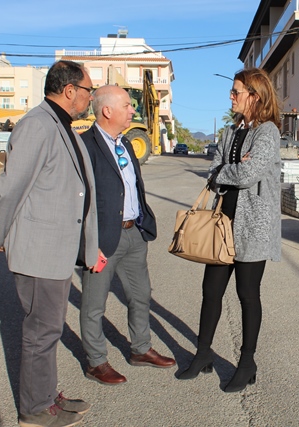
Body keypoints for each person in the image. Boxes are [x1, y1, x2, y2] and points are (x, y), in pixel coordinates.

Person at [0, 60, 98, 427]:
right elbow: (11, 187)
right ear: (70, 91)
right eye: (88, 90)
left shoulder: (60, 124)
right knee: (41, 332)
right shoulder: (37, 125)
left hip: (55, 250)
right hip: (39, 249)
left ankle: (46, 397)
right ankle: (34, 410)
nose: (90, 96)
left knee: (48, 329)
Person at [176, 68, 282, 393]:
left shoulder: (268, 133)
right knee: (211, 292)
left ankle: (247, 362)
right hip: (223, 223)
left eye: (236, 92)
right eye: (233, 92)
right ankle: (203, 354)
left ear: (255, 95)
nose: (231, 96)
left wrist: (227, 169)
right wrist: (227, 169)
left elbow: (249, 175)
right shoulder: (230, 131)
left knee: (247, 296)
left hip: (253, 228)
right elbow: (212, 172)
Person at [80, 85, 175, 385]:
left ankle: (141, 349)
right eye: (126, 105)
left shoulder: (125, 145)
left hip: (134, 233)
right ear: (107, 110)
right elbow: (78, 200)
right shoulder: (84, 146)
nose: (132, 110)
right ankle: (96, 362)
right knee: (94, 305)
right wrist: (87, 244)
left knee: (140, 296)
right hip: (103, 240)